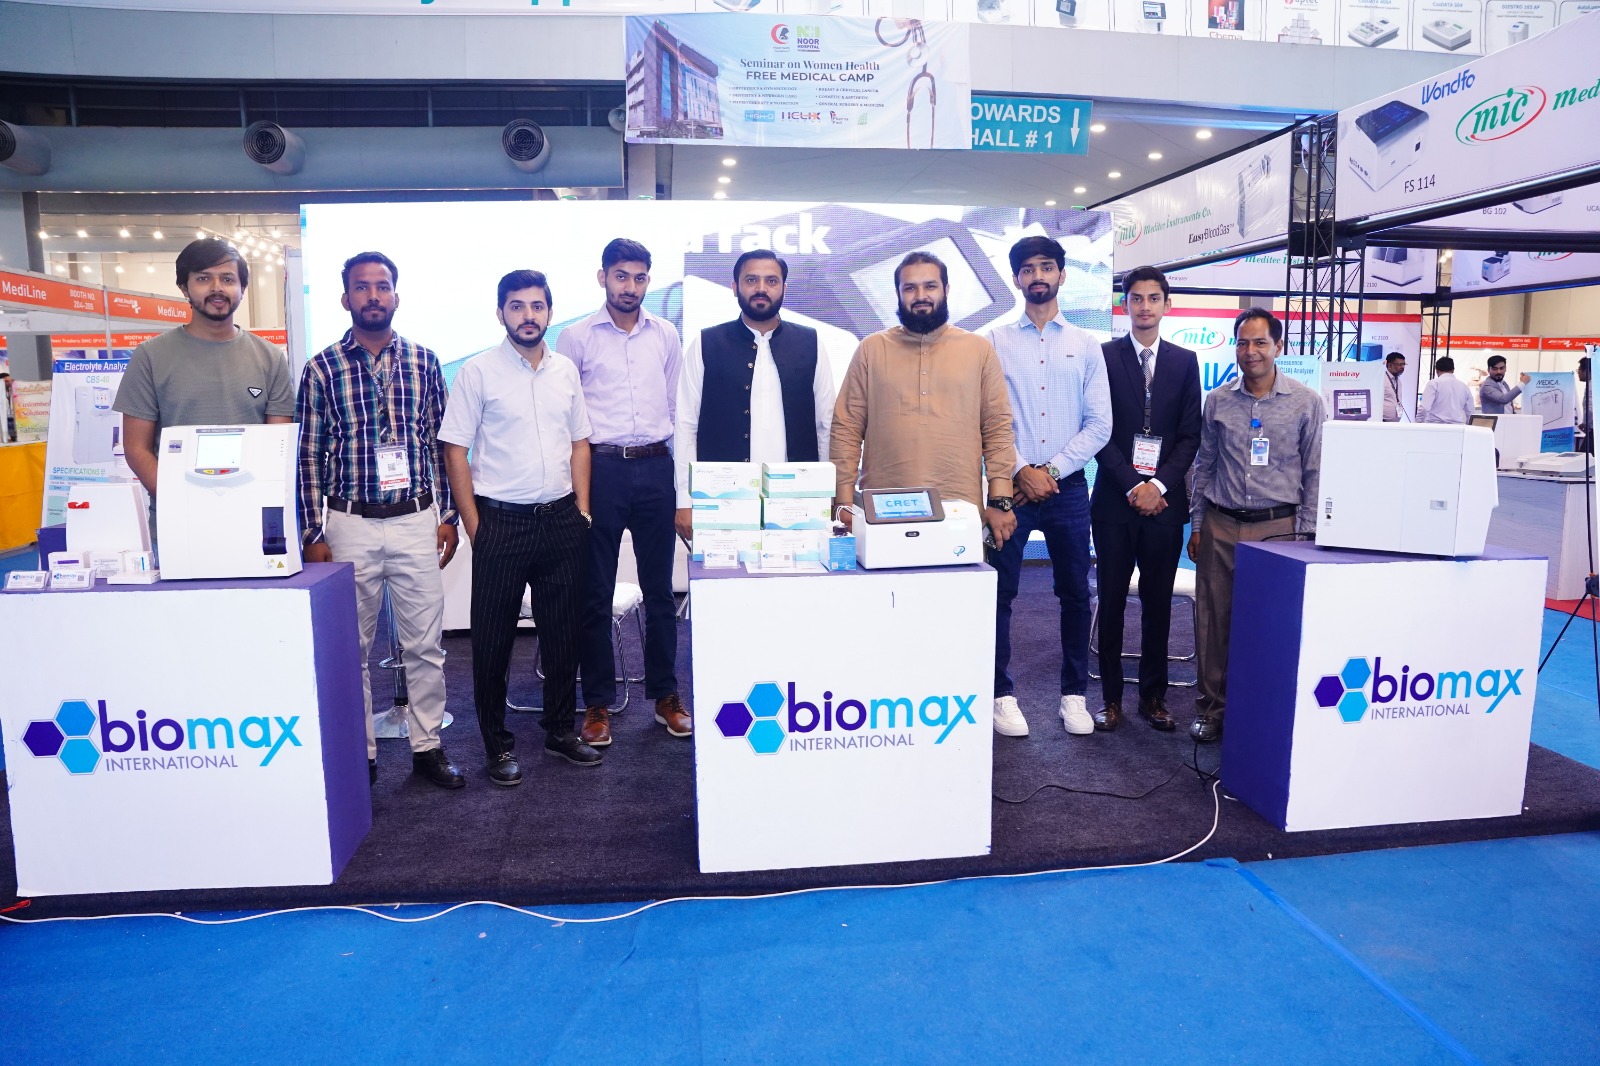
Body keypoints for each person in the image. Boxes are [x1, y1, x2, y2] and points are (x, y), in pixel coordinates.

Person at [297, 251, 463, 789]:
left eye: (382, 286)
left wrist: (448, 515)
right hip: (350, 525)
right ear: (346, 298)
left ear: (396, 295)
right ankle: (360, 753)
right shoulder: (321, 368)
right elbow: (308, 455)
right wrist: (312, 530)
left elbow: (440, 444)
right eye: (362, 287)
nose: (373, 296)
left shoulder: (424, 361)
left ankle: (428, 746)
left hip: (416, 519)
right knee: (352, 647)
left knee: (425, 645)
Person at [441, 270, 600, 782]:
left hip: (561, 521)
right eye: (517, 306)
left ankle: (560, 730)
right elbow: (455, 449)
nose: (528, 316)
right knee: (492, 644)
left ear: (549, 312)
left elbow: (580, 441)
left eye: (537, 306)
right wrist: (474, 525)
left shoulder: (565, 371)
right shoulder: (477, 372)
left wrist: (582, 510)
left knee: (563, 637)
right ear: (500, 313)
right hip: (500, 524)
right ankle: (497, 745)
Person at [556, 238, 690, 747]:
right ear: (603, 278)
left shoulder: (666, 334)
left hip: (656, 467)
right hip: (602, 469)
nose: (629, 286)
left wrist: (679, 481)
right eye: (620, 276)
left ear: (647, 281)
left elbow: (675, 407)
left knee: (661, 591)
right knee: (594, 592)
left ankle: (665, 696)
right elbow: (568, 416)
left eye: (638, 277)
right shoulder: (576, 337)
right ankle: (597, 703)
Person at [984, 236, 1111, 739]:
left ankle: (1074, 695)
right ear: (1016, 279)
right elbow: (984, 419)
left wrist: (1050, 472)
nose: (1038, 275)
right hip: (1009, 487)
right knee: (999, 592)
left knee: (1075, 593)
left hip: (1068, 489)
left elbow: (1100, 424)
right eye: (1028, 269)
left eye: (1047, 267)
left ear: (1061, 274)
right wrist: (1020, 470)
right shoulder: (992, 342)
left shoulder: (1086, 344)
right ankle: (1000, 694)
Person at [1187, 309, 1323, 742]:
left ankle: (1263, 712)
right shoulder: (1218, 400)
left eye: (1260, 342)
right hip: (1221, 524)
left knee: (1271, 624)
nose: (1251, 351)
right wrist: (1197, 523)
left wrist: (1305, 533)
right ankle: (1212, 709)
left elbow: (1316, 472)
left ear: (1278, 347)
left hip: (1279, 530)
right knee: (1213, 621)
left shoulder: (1306, 402)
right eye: (1243, 343)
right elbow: (1204, 465)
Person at [113, 237, 295, 534]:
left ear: (242, 288)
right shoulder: (150, 356)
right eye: (203, 278)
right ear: (184, 288)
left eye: (228, 279)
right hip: (178, 520)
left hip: (252, 518)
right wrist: (183, 501)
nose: (217, 288)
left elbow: (277, 449)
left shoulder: (270, 358)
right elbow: (136, 448)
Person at [1090, 266, 1202, 733]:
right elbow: (1097, 428)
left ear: (1167, 304)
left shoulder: (1185, 361)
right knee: (1112, 601)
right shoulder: (1102, 356)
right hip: (1114, 503)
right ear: (1125, 304)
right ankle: (1111, 699)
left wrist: (1158, 486)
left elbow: (1190, 435)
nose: (1145, 306)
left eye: (1154, 298)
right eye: (1136, 298)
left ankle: (1153, 697)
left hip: (1164, 506)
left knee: (1158, 605)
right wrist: (1133, 484)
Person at [674, 249, 836, 542]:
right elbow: (686, 425)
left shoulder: (810, 342)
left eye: (771, 281)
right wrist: (685, 499)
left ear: (784, 288)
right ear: (734, 287)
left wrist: (829, 492)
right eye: (751, 280)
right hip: (723, 500)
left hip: (797, 503)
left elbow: (826, 424)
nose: (761, 288)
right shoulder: (706, 343)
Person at [1417, 356, 1475, 425]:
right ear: (1453, 370)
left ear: (1436, 370)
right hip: (1457, 426)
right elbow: (1470, 411)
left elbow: (1424, 407)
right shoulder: (1464, 387)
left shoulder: (1433, 384)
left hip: (1435, 426)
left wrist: (1418, 422)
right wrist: (1470, 426)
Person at [1382, 352, 1410, 423]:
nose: (1402, 367)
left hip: (1395, 423)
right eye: (1399, 364)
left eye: (1403, 364)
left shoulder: (1398, 381)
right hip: (1382, 422)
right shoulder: (1382, 380)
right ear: (1390, 365)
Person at [1577, 356, 1592, 455]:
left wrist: (1586, 423)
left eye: (1579, 369)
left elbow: (1590, 409)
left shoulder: (1591, 386)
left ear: (1586, 370)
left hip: (1593, 432)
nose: (1578, 372)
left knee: (1583, 458)